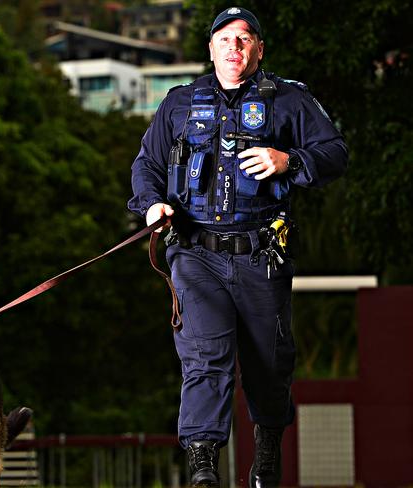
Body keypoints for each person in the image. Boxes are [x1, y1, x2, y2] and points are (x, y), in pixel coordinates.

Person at [128, 6, 347, 487]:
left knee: (269, 363)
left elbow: (335, 152)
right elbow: (147, 163)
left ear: (259, 49)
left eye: (245, 39)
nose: (235, 47)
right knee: (206, 354)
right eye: (225, 39)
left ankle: (266, 457)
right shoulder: (179, 103)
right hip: (194, 253)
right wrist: (151, 206)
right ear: (210, 49)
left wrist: (287, 159)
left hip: (260, 253)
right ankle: (204, 467)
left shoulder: (289, 100)